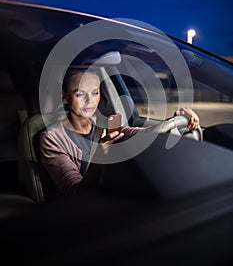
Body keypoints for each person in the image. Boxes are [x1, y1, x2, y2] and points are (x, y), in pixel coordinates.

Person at [40, 67, 200, 197]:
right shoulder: (52, 138)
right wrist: (101, 157)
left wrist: (176, 118)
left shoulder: (105, 124)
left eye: (94, 92)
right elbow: (75, 193)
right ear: (65, 97)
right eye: (80, 94)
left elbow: (146, 134)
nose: (89, 101)